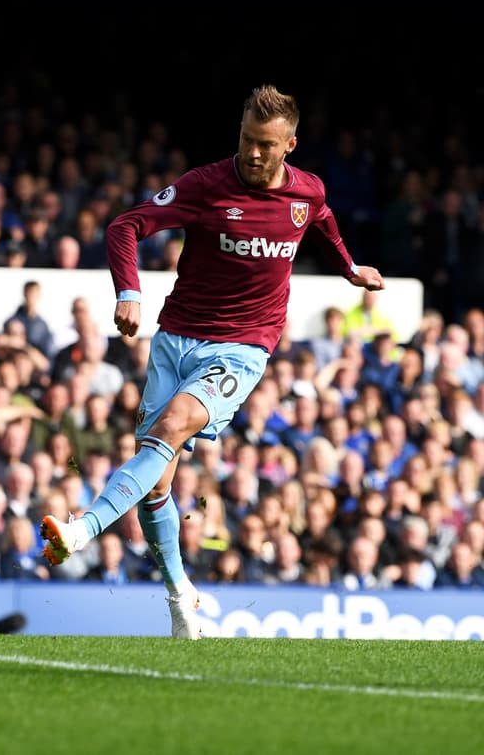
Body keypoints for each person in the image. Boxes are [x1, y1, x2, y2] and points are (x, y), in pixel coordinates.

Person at [38, 86, 384, 640]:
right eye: (246, 140)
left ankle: (83, 530)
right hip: (175, 338)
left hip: (244, 346)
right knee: (156, 485)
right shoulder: (205, 186)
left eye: (265, 145)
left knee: (172, 426)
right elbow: (124, 226)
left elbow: (321, 221)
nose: (252, 154)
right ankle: (181, 597)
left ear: (289, 145)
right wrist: (128, 291)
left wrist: (349, 269)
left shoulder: (305, 193)